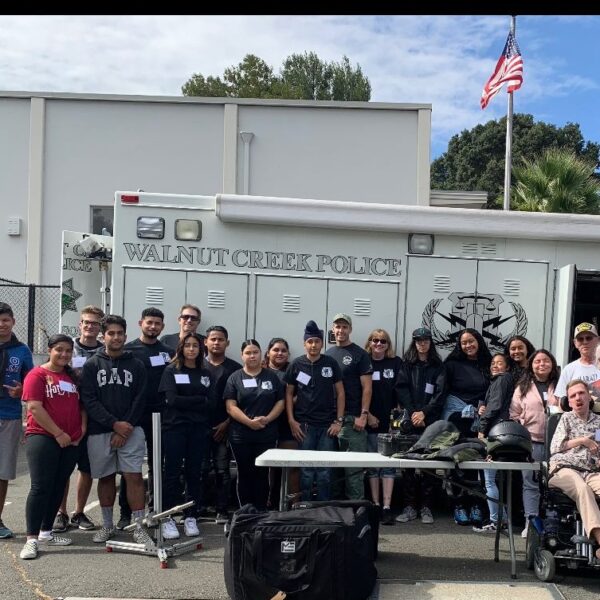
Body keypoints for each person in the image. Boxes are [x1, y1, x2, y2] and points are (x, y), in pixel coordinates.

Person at [80, 315, 151, 545]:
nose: (116, 337)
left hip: (131, 429)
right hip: (100, 431)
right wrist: (113, 425)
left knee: (134, 476)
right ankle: (108, 526)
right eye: (111, 333)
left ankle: (139, 527)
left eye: (120, 333)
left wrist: (124, 428)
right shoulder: (92, 365)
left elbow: (141, 399)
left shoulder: (137, 364)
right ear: (103, 336)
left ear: (126, 336)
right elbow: (89, 400)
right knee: (106, 477)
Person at [19, 335, 85, 560]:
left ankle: (46, 532)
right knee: (40, 487)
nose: (64, 354)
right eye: (59, 350)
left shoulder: (72, 377)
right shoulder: (37, 375)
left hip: (71, 441)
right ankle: (31, 539)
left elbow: (81, 407)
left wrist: (80, 432)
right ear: (49, 350)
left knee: (58, 485)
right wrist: (58, 433)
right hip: (44, 437)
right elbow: (34, 408)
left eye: (68, 351)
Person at [118, 307, 173, 530]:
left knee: (157, 466)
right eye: (149, 322)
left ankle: (155, 510)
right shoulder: (128, 350)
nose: (153, 327)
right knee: (130, 468)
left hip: (160, 416)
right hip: (134, 416)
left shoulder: (168, 352)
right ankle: (125, 513)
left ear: (162, 327)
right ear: (141, 323)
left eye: (157, 323)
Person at [53, 305, 104, 534]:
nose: (90, 326)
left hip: (94, 417)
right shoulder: (68, 349)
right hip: (68, 415)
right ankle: (60, 513)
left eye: (95, 323)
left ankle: (79, 512)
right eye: (87, 322)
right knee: (64, 467)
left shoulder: (105, 351)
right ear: (80, 324)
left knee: (87, 468)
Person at [158, 333, 211, 539]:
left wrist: (190, 401)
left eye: (195, 346)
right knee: (171, 472)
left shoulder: (204, 373)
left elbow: (210, 402)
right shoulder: (171, 370)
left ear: (200, 349)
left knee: (194, 473)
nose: (191, 349)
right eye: (187, 345)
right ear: (180, 348)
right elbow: (171, 400)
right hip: (175, 428)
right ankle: (168, 517)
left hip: (197, 429)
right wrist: (198, 399)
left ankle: (191, 516)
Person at [286, 321, 344, 503]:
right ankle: (306, 506)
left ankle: (323, 506)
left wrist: (339, 421)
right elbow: (288, 395)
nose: (313, 345)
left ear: (322, 343)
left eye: (317, 341)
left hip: (327, 426)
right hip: (304, 426)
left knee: (325, 471)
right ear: (304, 343)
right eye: (310, 341)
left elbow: (341, 393)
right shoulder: (296, 365)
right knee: (306, 471)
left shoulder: (330, 363)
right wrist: (291, 421)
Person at [224, 339, 284, 510]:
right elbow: (230, 406)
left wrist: (267, 419)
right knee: (245, 473)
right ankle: (245, 510)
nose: (252, 356)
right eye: (248, 353)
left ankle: (261, 510)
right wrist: (249, 422)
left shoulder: (271, 377)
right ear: (242, 355)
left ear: (261, 354)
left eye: (255, 352)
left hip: (266, 434)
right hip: (241, 436)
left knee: (262, 474)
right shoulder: (234, 378)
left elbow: (280, 402)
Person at [441, 328, 492, 527]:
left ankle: (477, 505)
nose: (468, 345)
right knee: (458, 463)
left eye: (471, 341)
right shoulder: (451, 365)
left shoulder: (487, 365)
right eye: (464, 343)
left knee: (478, 464)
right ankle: (459, 505)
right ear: (459, 346)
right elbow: (442, 392)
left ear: (478, 342)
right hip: (456, 419)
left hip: (480, 421)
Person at [395, 327, 445, 525]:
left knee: (428, 466)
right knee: (408, 466)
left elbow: (440, 393)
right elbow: (401, 388)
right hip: (410, 421)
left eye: (425, 340)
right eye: (418, 341)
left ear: (430, 342)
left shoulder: (438, 366)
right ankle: (409, 506)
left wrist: (424, 412)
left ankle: (426, 507)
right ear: (414, 343)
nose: (421, 344)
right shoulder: (407, 365)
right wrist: (415, 412)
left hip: (430, 422)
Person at [510, 349, 559, 538]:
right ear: (531, 365)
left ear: (552, 364)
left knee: (554, 484)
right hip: (532, 443)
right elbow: (513, 414)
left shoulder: (560, 385)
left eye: (546, 361)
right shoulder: (522, 387)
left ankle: (553, 524)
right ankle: (530, 522)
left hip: (557, 445)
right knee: (530, 483)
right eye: (537, 361)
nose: (542, 364)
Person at [548, 380, 600, 559]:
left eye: (581, 393)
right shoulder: (566, 418)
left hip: (591, 470)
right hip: (564, 468)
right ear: (568, 402)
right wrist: (582, 441)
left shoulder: (598, 421)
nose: (577, 398)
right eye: (572, 396)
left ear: (588, 396)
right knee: (583, 489)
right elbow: (555, 447)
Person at [326, 313, 372, 500]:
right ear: (333, 329)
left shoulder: (360, 354)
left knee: (353, 473)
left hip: (353, 421)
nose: (341, 330)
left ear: (350, 330)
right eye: (337, 327)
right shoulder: (327, 354)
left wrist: (364, 415)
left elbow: (367, 388)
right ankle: (337, 513)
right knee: (332, 473)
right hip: (330, 422)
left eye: (344, 327)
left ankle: (356, 512)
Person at [0, 302, 33, 540]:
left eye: (5, 320)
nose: (1, 325)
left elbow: (31, 386)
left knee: (2, 472)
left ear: (13, 322)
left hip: (8, 417)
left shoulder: (22, 351)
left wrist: (21, 390)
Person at [202, 325, 241, 523]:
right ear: (206, 342)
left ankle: (222, 509)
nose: (216, 343)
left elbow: (241, 402)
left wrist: (226, 424)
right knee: (198, 469)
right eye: (213, 339)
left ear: (228, 343)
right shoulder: (196, 365)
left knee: (222, 470)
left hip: (225, 428)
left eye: (221, 339)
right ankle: (197, 509)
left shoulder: (235, 369)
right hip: (199, 428)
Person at [363, 328, 402, 525]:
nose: (379, 344)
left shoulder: (395, 363)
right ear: (369, 342)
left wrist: (395, 423)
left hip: (389, 424)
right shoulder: (363, 362)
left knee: (388, 466)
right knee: (372, 466)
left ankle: (387, 507)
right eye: (375, 340)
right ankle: (375, 505)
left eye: (383, 341)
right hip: (369, 421)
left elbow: (400, 395)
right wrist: (367, 415)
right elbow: (357, 393)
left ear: (388, 345)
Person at [473, 353, 514, 533]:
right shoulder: (499, 381)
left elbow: (495, 406)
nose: (495, 366)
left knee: (489, 480)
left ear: (507, 367)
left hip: (494, 432)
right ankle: (502, 519)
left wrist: (482, 427)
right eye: (492, 363)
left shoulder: (502, 379)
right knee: (493, 479)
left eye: (499, 363)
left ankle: (496, 522)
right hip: (500, 430)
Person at [264, 337, 298, 509]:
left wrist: (291, 402)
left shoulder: (295, 371)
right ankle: (269, 500)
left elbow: (303, 394)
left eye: (283, 350)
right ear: (268, 352)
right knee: (269, 465)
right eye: (276, 350)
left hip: (288, 423)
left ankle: (294, 503)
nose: (279, 353)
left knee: (291, 466)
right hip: (265, 424)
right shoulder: (259, 371)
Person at [554, 322, 600, 405]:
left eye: (589, 338)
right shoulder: (569, 369)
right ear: (575, 343)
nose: (585, 342)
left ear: (598, 340)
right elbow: (562, 400)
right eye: (580, 339)